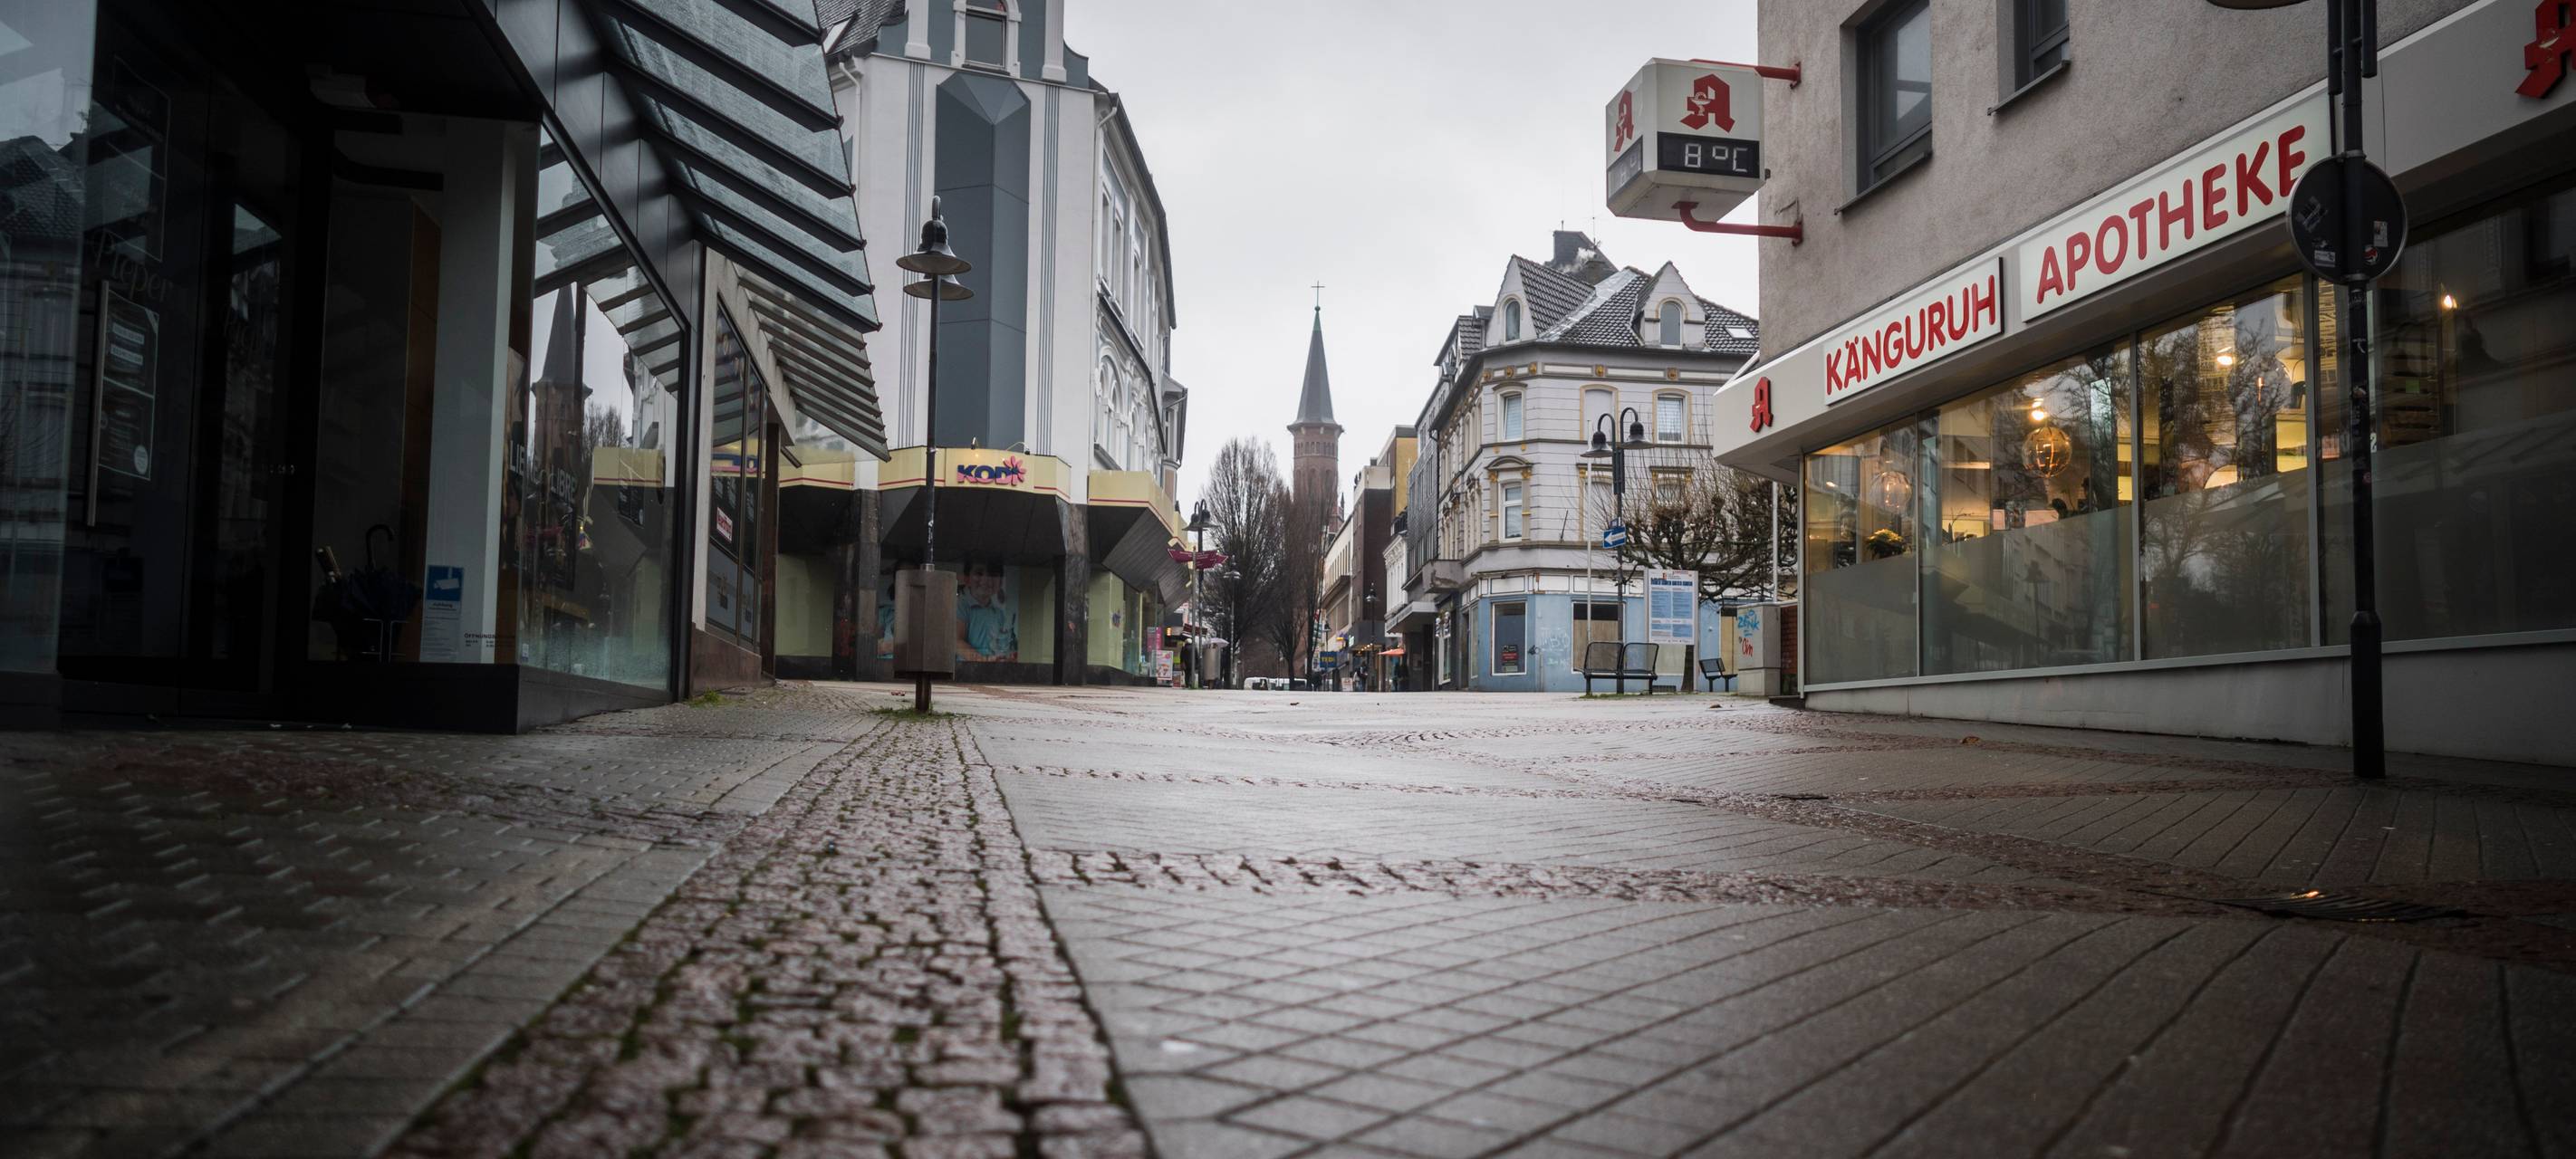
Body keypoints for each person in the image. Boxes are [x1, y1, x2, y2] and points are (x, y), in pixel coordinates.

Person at [957, 562, 1018, 662]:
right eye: (979, 573)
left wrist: (1007, 657)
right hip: (967, 671)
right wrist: (982, 659)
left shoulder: (998, 614)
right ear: (967, 579)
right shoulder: (961, 605)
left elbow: (1003, 647)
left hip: (992, 671)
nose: (986, 579)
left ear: (1001, 582)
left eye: (993, 574)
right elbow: (957, 641)